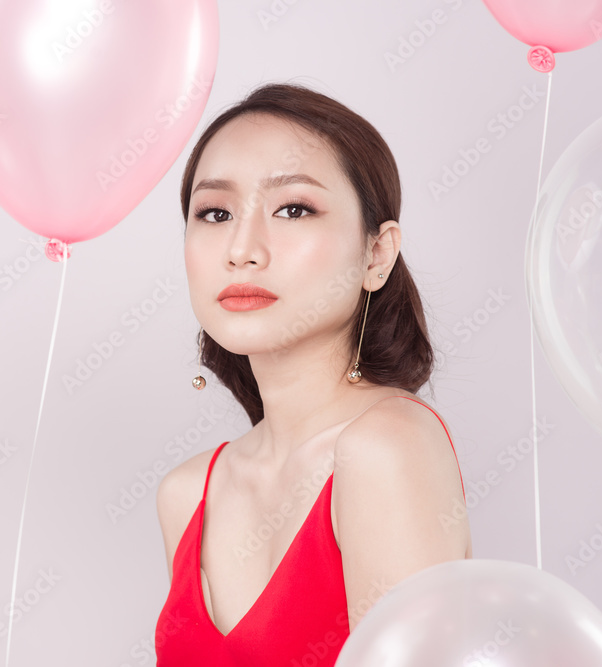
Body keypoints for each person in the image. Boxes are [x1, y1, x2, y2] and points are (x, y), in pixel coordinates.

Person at [153, 81, 471, 666]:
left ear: (377, 254)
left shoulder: (386, 447)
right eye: (215, 212)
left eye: (293, 208)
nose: (242, 249)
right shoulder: (185, 493)